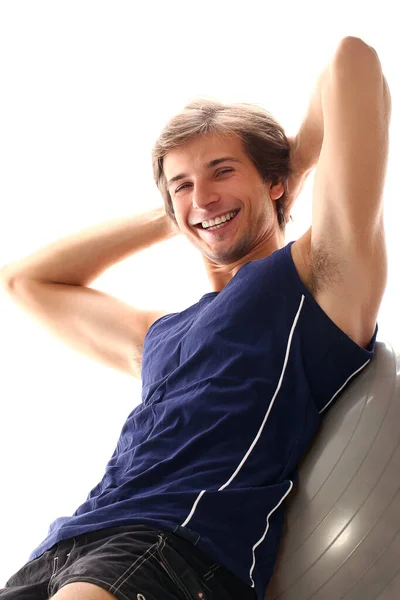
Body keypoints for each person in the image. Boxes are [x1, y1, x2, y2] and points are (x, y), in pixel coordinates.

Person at [0, 36, 390, 600]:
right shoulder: (161, 335)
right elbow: (21, 282)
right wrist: (178, 214)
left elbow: (352, 62)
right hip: (64, 551)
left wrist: (289, 171)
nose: (202, 196)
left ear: (274, 179)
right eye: (182, 183)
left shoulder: (316, 278)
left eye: (222, 171)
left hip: (174, 546)